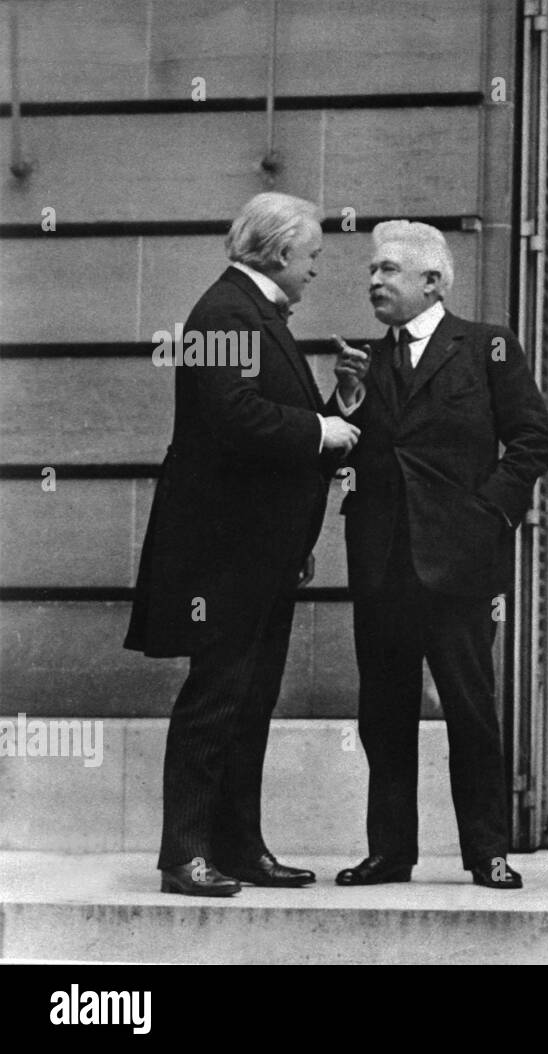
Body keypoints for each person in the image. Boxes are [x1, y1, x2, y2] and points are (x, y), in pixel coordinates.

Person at [126, 192, 361, 896]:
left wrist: (338, 405)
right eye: (313, 255)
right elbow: (232, 417)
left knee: (250, 699)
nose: (317, 269)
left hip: (256, 551)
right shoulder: (225, 311)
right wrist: (324, 432)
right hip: (224, 555)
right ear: (280, 252)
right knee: (218, 697)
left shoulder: (247, 313)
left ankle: (235, 847)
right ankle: (186, 855)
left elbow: (266, 424)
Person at [329, 220, 548, 890]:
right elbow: (344, 447)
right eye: (372, 269)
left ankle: (487, 851)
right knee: (384, 716)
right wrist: (344, 402)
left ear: (433, 281)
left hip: (458, 568)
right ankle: (391, 852)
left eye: (389, 269)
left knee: (471, 711)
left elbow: (531, 441)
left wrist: (487, 517)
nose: (374, 280)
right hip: (383, 567)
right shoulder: (365, 361)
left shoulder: (487, 347)